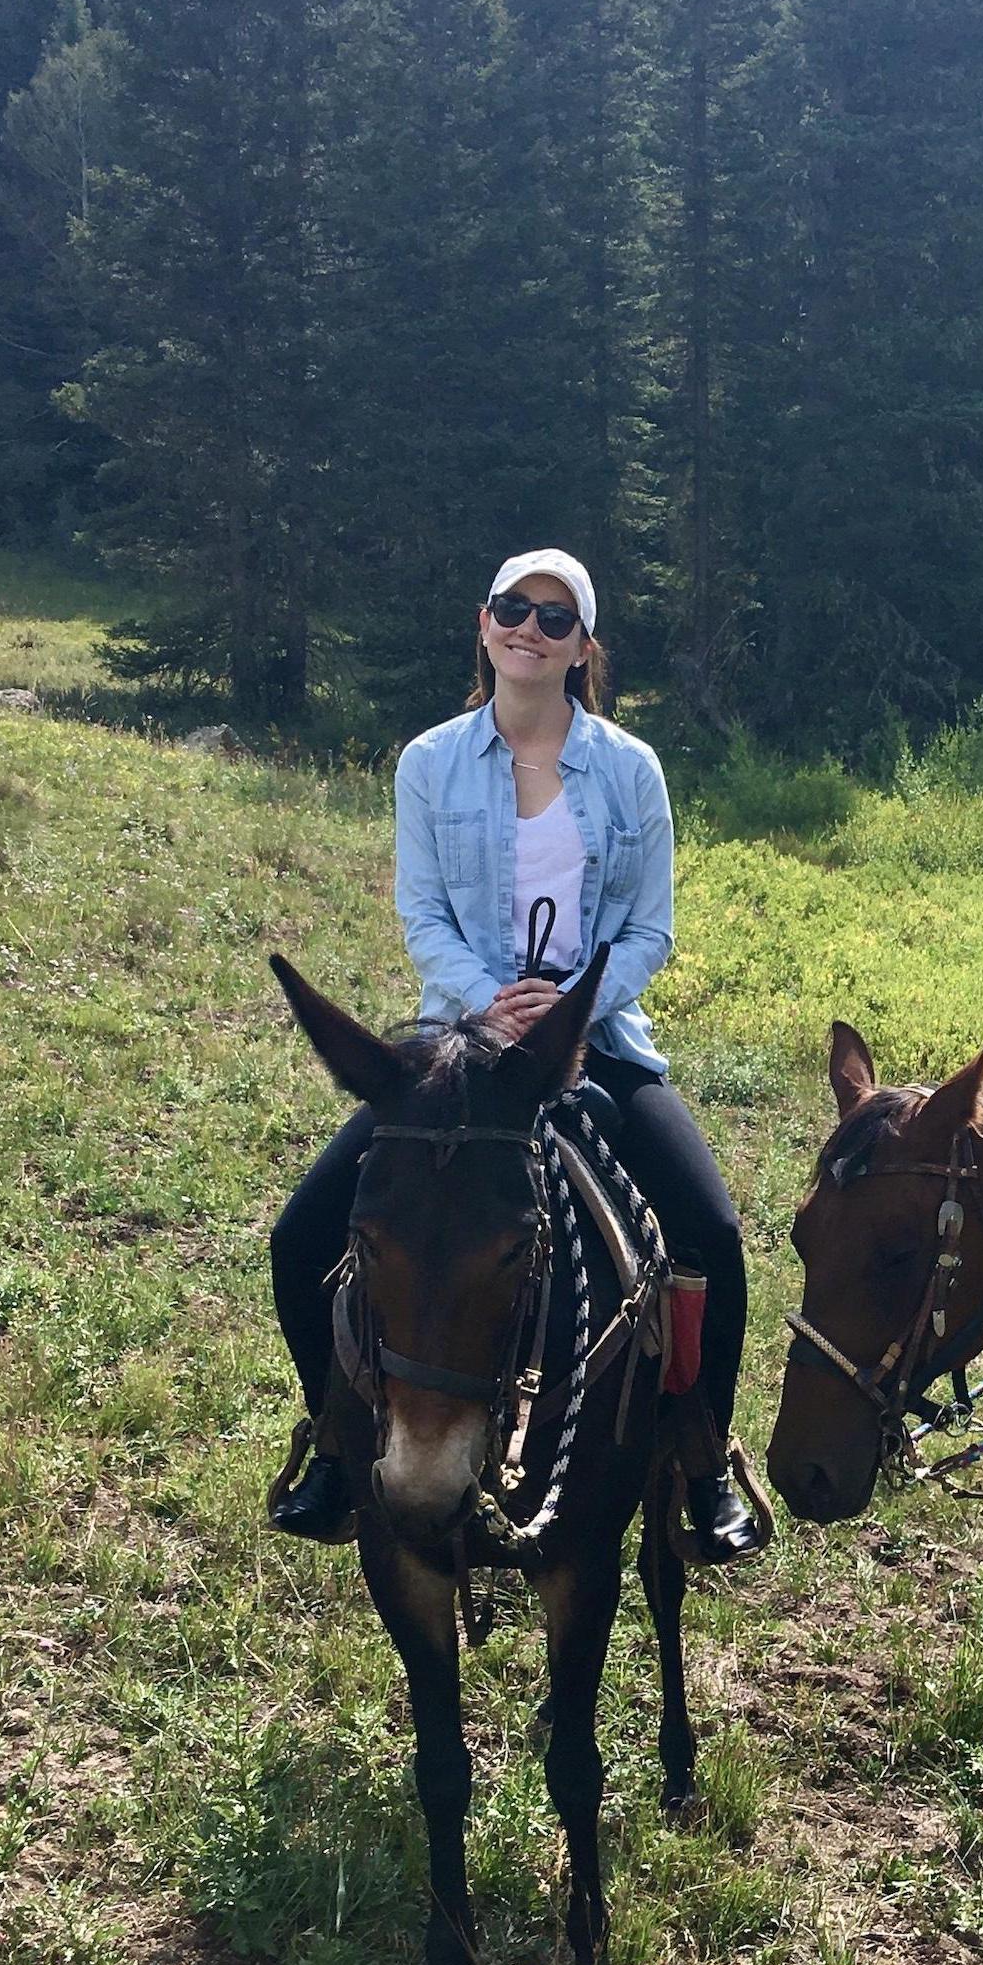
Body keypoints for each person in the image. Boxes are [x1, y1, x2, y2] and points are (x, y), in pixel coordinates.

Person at [265, 549, 765, 1560]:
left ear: (583, 648)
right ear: (484, 624)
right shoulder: (428, 764)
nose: (529, 628)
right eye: (512, 608)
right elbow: (423, 916)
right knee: (299, 1236)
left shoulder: (631, 770)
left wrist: (569, 1014)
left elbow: (651, 931)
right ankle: (335, 1444)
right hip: (459, 1049)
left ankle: (704, 1457)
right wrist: (493, 1006)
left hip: (597, 1044)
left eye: (554, 617)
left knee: (710, 1234)